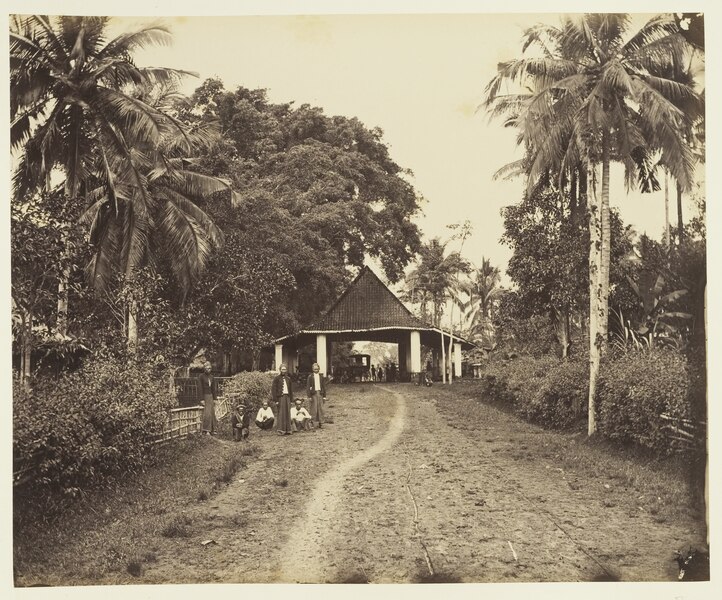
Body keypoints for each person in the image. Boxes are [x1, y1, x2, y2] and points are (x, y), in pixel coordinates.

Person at [272, 364, 293, 435]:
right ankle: (281, 430)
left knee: (287, 413)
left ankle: (288, 429)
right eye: (282, 369)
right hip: (280, 397)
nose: (283, 371)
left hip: (287, 397)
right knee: (281, 413)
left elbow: (290, 390)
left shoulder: (288, 379)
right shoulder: (276, 378)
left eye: (285, 369)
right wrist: (276, 400)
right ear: (280, 370)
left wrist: (291, 399)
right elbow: (273, 390)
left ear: (286, 370)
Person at [199, 362, 218, 435]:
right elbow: (200, 388)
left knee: (212, 413)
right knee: (207, 413)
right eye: (207, 368)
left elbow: (213, 389)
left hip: (210, 396)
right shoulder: (201, 376)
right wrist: (201, 399)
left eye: (209, 368)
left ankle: (213, 429)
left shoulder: (212, 377)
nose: (208, 369)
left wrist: (215, 398)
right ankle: (206, 430)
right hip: (205, 396)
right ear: (204, 368)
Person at [306, 362, 327, 428]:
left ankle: (321, 422)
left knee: (320, 408)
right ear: (312, 369)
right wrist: (309, 396)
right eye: (315, 369)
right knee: (314, 408)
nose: (316, 370)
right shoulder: (310, 377)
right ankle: (313, 422)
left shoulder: (321, 377)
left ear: (319, 369)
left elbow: (323, 386)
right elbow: (308, 386)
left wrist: (324, 396)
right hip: (313, 393)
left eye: (317, 369)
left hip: (320, 393)